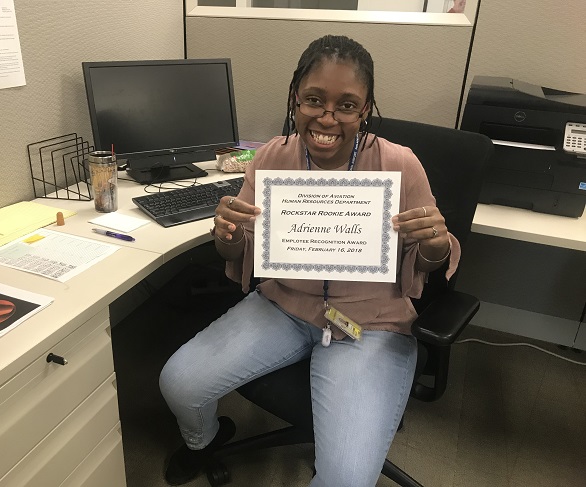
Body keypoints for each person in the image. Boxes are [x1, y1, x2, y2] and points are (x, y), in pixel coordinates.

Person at [159, 34, 459, 486]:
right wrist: (226, 235)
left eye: (346, 105)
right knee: (179, 383)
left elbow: (428, 257)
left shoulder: (400, 164)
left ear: (366, 108)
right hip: (284, 305)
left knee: (345, 481)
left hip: (369, 323)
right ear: (295, 100)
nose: (327, 118)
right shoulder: (271, 158)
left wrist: (436, 246)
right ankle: (206, 440)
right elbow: (237, 249)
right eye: (314, 100)